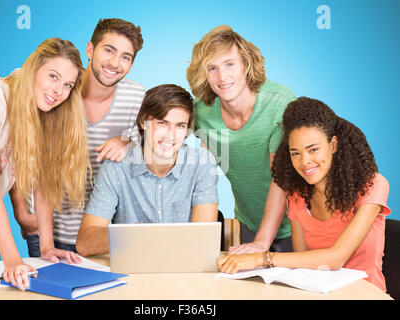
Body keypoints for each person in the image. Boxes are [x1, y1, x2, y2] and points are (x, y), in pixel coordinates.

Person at [0, 38, 89, 290]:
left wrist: (46, 246)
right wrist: (12, 260)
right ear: (34, 68)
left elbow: (42, 181)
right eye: (53, 76)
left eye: (68, 84)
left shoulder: (44, 111)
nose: (59, 91)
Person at [218, 97, 390, 292]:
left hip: (364, 294)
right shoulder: (297, 194)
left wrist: (261, 258)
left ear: (333, 145)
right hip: (318, 293)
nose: (304, 161)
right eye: (295, 153)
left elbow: (336, 258)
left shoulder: (373, 185)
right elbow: (302, 260)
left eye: (313, 150)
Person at [12, 18, 145, 259]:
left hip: (100, 235)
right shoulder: (58, 91)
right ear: (90, 50)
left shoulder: (136, 96)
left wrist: (126, 143)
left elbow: (156, 145)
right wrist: (22, 213)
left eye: (126, 57)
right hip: (48, 230)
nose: (115, 63)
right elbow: (20, 146)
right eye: (109, 50)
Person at [186, 25, 296, 254]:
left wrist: (262, 244)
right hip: (248, 224)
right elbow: (163, 132)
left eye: (229, 64)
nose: (222, 77)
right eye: (212, 68)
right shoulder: (203, 113)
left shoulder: (278, 102)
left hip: (296, 227)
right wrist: (127, 141)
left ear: (246, 63)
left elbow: (281, 179)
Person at [76, 84, 219, 257]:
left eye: (180, 125)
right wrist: (139, 237)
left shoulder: (201, 164)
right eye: (162, 123)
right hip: (133, 273)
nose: (171, 135)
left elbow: (203, 240)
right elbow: (85, 242)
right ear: (143, 122)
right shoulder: (116, 167)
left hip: (184, 273)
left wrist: (146, 238)